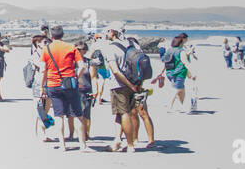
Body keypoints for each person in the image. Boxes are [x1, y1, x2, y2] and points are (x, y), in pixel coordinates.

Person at [93, 22, 151, 152]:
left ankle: (130, 145)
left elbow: (115, 71)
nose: (106, 34)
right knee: (121, 113)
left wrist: (129, 85)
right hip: (134, 83)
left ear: (113, 32)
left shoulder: (110, 48)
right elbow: (141, 65)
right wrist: (136, 85)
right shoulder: (133, 44)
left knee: (124, 113)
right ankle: (117, 140)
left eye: (108, 31)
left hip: (119, 84)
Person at [40, 25, 88, 152]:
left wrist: (42, 86)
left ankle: (62, 145)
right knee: (77, 114)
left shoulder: (46, 49)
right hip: (69, 83)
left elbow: (43, 69)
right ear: (63, 35)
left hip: (53, 84)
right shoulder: (71, 47)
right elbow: (82, 65)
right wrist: (77, 77)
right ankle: (82, 145)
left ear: (51, 35)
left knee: (58, 115)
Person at [158, 33, 192, 113]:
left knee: (182, 90)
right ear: (181, 43)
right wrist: (192, 73)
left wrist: (163, 71)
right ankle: (169, 107)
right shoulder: (181, 51)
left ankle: (182, 106)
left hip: (170, 72)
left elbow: (164, 60)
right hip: (179, 73)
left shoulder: (169, 50)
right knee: (176, 90)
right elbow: (185, 62)